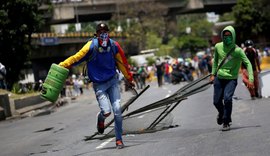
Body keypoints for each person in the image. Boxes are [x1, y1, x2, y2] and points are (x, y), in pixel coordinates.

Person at [58, 23, 134, 149]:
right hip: (99, 85)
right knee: (107, 112)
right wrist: (62, 65)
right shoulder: (90, 46)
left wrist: (129, 78)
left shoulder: (114, 45)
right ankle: (101, 118)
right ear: (97, 34)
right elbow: (76, 58)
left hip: (113, 81)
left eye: (106, 31)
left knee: (117, 111)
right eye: (101, 32)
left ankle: (119, 140)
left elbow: (122, 63)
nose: (103, 34)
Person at [209, 26, 254, 131]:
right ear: (222, 36)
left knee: (228, 99)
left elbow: (248, 63)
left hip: (231, 79)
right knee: (216, 102)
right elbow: (215, 61)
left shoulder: (238, 51)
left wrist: (251, 79)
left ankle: (226, 121)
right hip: (219, 78)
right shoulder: (218, 46)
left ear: (233, 36)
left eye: (229, 35)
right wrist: (212, 74)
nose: (227, 37)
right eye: (225, 35)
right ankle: (222, 113)